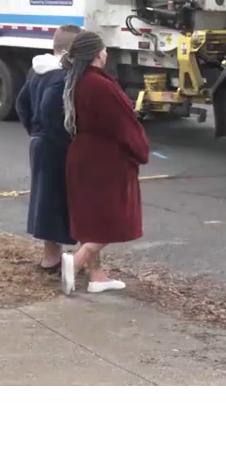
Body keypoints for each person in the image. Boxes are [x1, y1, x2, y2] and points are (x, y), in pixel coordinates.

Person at [59, 31, 151, 295]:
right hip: (106, 159)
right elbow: (123, 125)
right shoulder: (100, 85)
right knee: (113, 217)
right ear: (98, 54)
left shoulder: (76, 81)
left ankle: (97, 276)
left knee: (91, 217)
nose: (107, 52)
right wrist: (141, 151)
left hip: (83, 154)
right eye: (104, 49)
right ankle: (75, 263)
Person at [16, 24, 84, 274]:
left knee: (44, 198)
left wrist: (34, 132)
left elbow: (22, 104)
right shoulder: (61, 76)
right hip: (55, 144)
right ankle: (56, 259)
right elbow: (50, 109)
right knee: (57, 199)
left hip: (39, 141)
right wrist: (65, 139)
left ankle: (50, 257)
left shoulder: (38, 70)